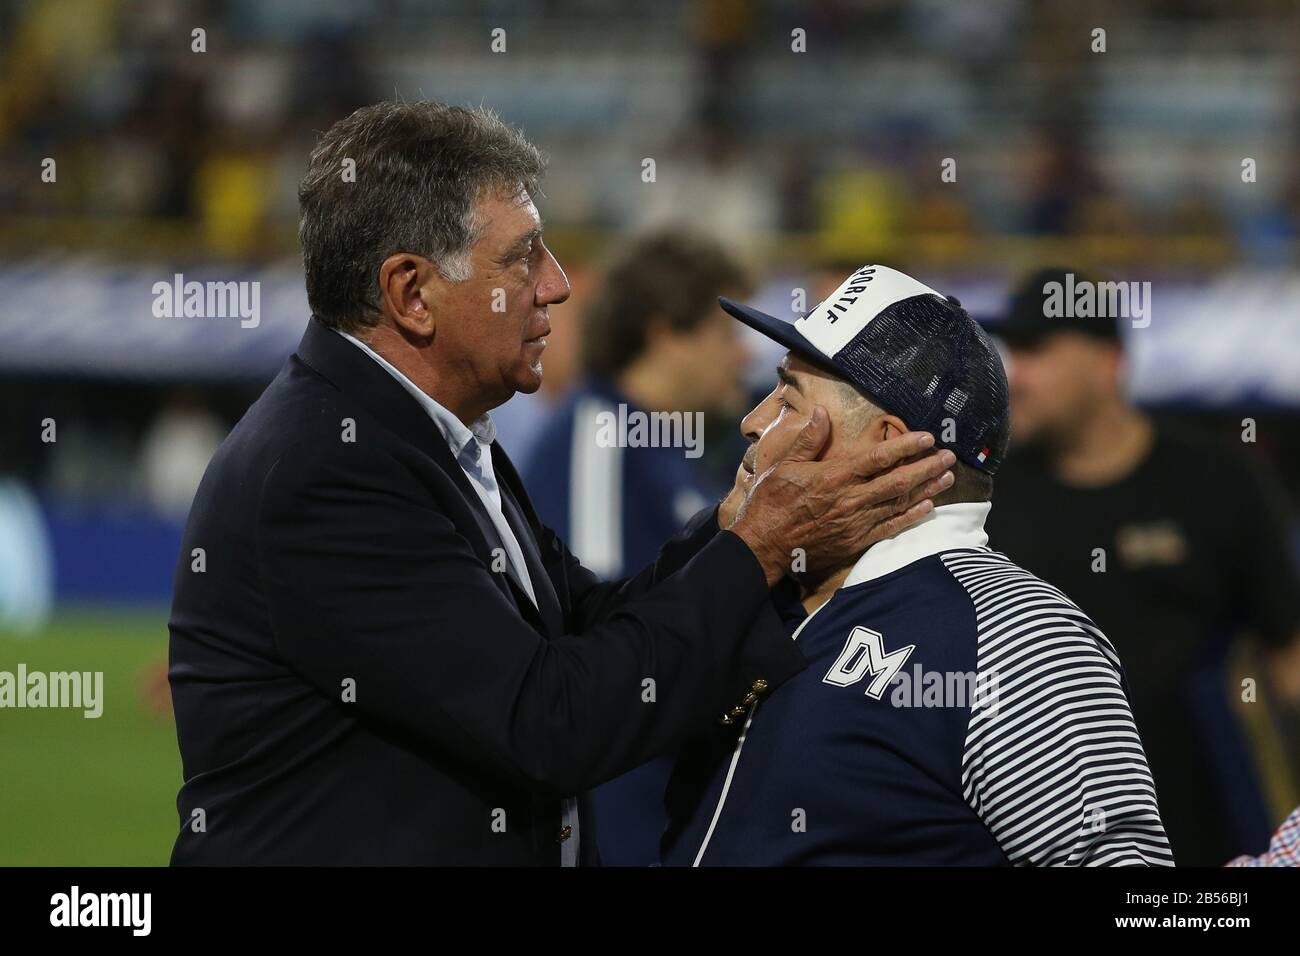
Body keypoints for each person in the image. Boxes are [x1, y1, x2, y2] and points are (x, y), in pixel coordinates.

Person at [166, 101, 953, 865]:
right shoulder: (325, 470)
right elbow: (548, 722)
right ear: (412, 293)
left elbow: (581, 624)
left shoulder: (430, 434)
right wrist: (761, 545)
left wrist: (744, 522)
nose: (560, 284)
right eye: (522, 256)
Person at [661, 264, 1173, 866]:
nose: (752, 422)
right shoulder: (768, 580)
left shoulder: (1020, 639)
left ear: (887, 447)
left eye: (788, 401)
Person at [985, 267, 1300, 865]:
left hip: (1210, 839)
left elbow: (1288, 656)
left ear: (1108, 363)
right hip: (1033, 834)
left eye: (1037, 351)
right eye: (1011, 352)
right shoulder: (987, 498)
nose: (1014, 375)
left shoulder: (1218, 484)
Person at [523, 230, 752, 865]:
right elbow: (597, 645)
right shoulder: (601, 436)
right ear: (664, 334)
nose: (741, 358)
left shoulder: (664, 447)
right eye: (726, 333)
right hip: (621, 810)